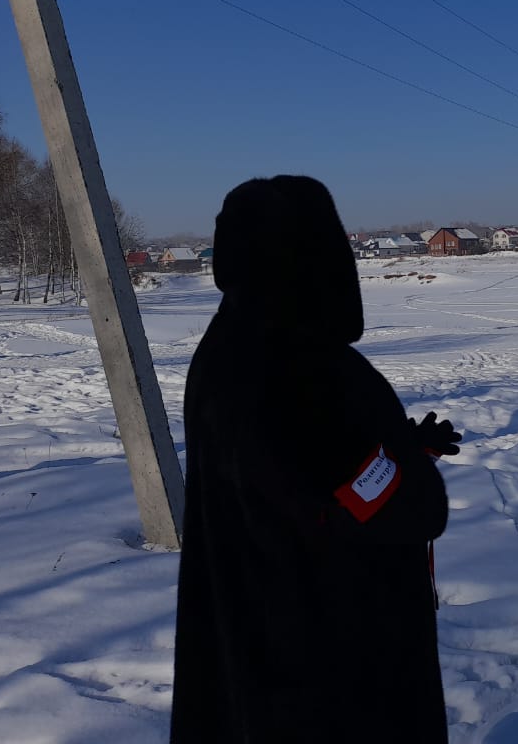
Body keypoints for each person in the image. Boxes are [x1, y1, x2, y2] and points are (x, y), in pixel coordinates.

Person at [170, 175, 461, 742]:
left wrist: (397, 444)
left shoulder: (227, 344)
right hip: (332, 665)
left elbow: (301, 474)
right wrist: (405, 465)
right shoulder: (307, 371)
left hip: (254, 638)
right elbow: (397, 508)